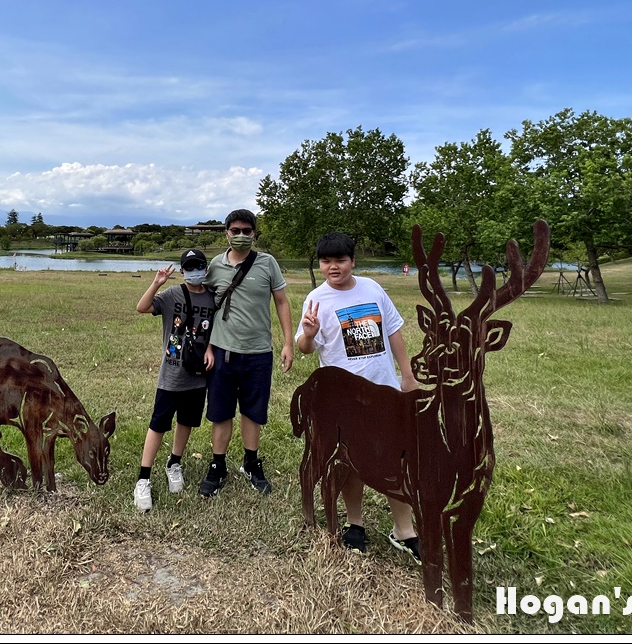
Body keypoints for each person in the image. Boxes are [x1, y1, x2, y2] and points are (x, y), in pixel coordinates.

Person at [296, 231, 420, 559]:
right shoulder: (316, 300)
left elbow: (392, 331)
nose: (333, 267)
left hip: (384, 391)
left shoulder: (373, 289)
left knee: (397, 459)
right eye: (326, 261)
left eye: (340, 260)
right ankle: (355, 523)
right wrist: (308, 335)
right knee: (350, 462)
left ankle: (404, 530)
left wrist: (406, 375)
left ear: (352, 261)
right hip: (344, 400)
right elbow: (305, 348)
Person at [199, 208, 294, 497]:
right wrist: (206, 346)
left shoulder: (267, 263)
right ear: (226, 233)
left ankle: (251, 462)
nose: (241, 236)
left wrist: (288, 342)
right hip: (223, 352)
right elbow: (203, 306)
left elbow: (281, 301)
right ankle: (218, 466)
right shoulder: (215, 265)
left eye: (246, 231)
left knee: (253, 411)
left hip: (258, 352)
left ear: (254, 233)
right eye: (235, 230)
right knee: (220, 412)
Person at [132, 249, 216, 512]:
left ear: (205, 267)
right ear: (182, 271)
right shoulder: (171, 296)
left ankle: (174, 462)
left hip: (198, 376)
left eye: (199, 266)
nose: (194, 271)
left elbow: (217, 329)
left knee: (187, 421)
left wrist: (211, 348)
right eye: (189, 267)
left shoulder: (213, 298)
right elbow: (142, 307)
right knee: (158, 424)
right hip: (170, 375)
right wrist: (157, 283)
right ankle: (143, 478)